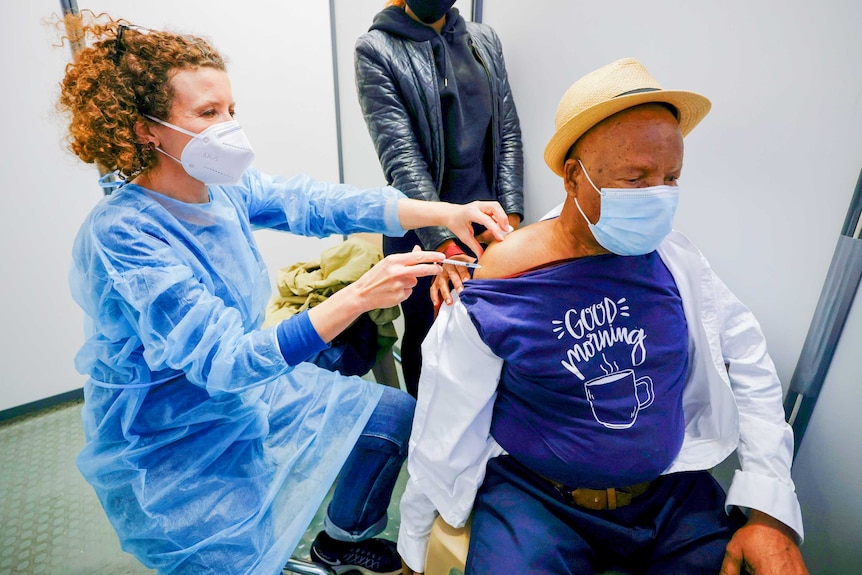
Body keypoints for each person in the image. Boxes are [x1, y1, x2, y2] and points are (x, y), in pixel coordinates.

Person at [56, 13, 511, 575]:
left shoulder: (219, 189)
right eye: (207, 114)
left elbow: (315, 203)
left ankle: (343, 539)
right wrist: (360, 294)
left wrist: (441, 211)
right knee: (239, 555)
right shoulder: (124, 235)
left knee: (390, 414)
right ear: (145, 128)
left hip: (241, 391)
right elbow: (223, 362)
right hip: (173, 432)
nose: (228, 128)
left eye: (230, 111)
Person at [398, 58, 810, 575]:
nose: (659, 196)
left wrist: (770, 509)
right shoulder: (509, 275)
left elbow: (747, 358)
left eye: (671, 178)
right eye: (636, 179)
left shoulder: (675, 263)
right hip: (537, 499)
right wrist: (416, 535)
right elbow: (447, 411)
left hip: (670, 496)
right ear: (574, 176)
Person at [354, 0, 524, 397]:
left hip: (487, 223)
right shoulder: (376, 49)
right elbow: (402, 158)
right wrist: (445, 247)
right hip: (422, 230)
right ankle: (424, 443)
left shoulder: (483, 40)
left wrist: (510, 222)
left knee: (486, 344)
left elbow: (508, 133)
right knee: (430, 341)